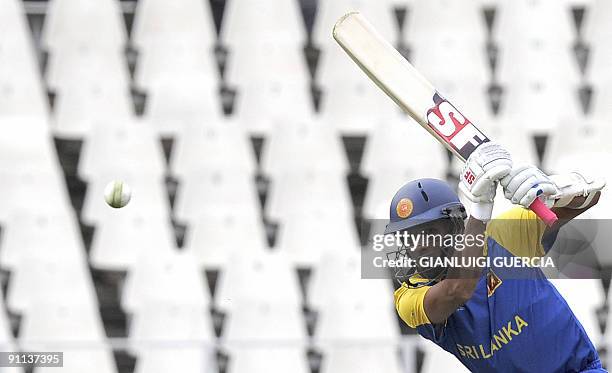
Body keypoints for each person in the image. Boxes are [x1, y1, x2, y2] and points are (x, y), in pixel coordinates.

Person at [387, 142, 606, 372]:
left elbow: (590, 196)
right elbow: (458, 290)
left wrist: (551, 190)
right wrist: (481, 207)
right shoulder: (408, 298)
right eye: (408, 237)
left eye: (429, 233)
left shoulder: (501, 235)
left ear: (454, 226)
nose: (418, 246)